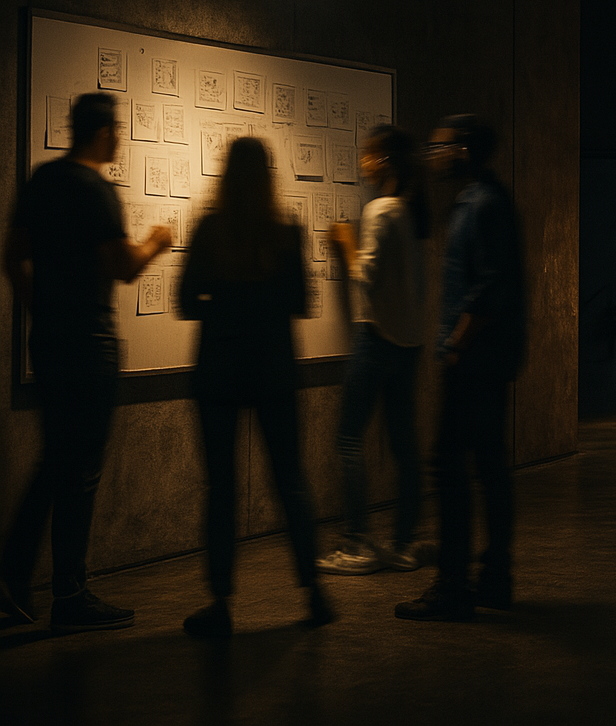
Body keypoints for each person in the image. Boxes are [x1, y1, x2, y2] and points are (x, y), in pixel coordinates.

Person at [1, 93, 172, 633]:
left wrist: (41, 309)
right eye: (116, 129)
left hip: (50, 341)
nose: (119, 138)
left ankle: (14, 580)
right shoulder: (96, 190)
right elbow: (122, 266)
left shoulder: (42, 181)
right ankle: (69, 594)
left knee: (57, 460)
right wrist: (157, 242)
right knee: (79, 470)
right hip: (89, 343)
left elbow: (13, 256)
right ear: (102, 133)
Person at [177, 136, 332, 637]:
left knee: (220, 488)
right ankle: (314, 591)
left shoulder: (209, 230)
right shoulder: (286, 233)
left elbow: (185, 302)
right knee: (291, 481)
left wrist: (222, 306)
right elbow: (302, 302)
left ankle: (221, 602)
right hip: (274, 371)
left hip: (219, 372)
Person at [396, 114, 526, 621]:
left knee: (449, 468)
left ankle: (453, 586)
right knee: (488, 467)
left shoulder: (482, 204)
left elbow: (490, 287)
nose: (432, 155)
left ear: (464, 150)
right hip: (488, 356)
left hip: (475, 358)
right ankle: (495, 579)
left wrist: (455, 343)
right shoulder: (482, 199)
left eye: (440, 146)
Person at [317, 124, 429, 575]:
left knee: (348, 439)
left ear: (384, 160)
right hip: (409, 344)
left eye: (368, 154)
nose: (362, 161)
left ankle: (357, 543)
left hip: (376, 338)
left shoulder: (381, 209)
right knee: (404, 445)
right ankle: (404, 543)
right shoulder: (412, 213)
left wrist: (345, 244)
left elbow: (366, 275)